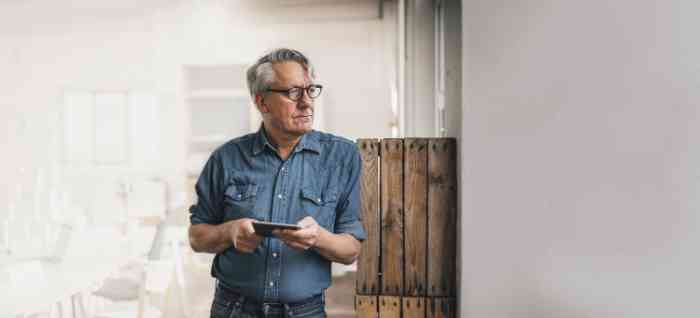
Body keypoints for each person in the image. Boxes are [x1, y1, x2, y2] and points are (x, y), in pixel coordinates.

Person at [188, 48, 366, 318]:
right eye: (293, 92)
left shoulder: (342, 157)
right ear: (262, 102)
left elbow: (351, 250)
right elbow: (197, 237)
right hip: (233, 309)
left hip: (305, 311)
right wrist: (230, 231)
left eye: (311, 90)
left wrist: (318, 237)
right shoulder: (227, 159)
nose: (306, 103)